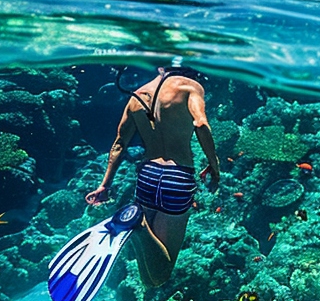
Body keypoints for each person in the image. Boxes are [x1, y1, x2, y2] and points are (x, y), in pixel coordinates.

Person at [82, 64, 221, 287]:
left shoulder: (137, 95)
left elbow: (119, 144)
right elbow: (200, 123)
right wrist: (214, 164)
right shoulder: (190, 87)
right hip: (177, 177)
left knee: (148, 278)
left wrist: (104, 185)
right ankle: (140, 227)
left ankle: (136, 227)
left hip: (147, 175)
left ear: (160, 68)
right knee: (161, 276)